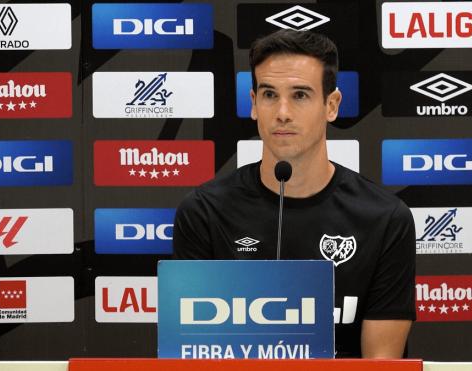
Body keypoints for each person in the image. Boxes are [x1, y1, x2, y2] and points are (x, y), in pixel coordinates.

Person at [173, 29, 416, 358]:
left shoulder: (385, 218)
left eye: (300, 95)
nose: (282, 112)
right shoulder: (204, 212)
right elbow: (195, 355)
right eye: (269, 94)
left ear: (332, 105)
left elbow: (380, 364)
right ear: (253, 104)